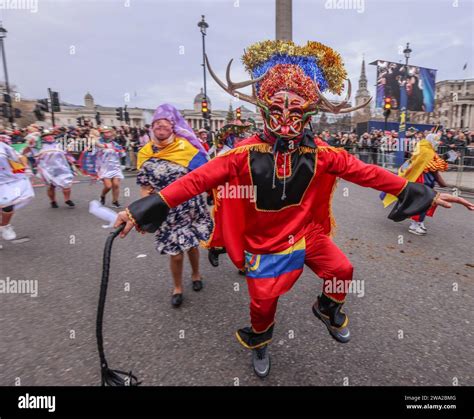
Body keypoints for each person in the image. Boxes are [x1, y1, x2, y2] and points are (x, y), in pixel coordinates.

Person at [114, 39, 473, 378]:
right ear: (265, 110)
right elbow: (193, 182)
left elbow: (368, 173)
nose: (286, 120)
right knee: (263, 306)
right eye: (277, 110)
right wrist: (138, 210)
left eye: (296, 111)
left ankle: (327, 308)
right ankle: (260, 343)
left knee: (342, 270)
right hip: (264, 243)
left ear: (309, 114)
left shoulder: (321, 152)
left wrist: (424, 195)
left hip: (306, 233)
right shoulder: (242, 154)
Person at [136, 104, 211, 307]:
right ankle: (177, 286)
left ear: (173, 127)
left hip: (189, 207)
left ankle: (196, 274)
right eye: (156, 124)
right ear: (152, 128)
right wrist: (144, 211)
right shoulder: (144, 153)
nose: (160, 127)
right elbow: (145, 185)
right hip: (165, 210)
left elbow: (204, 174)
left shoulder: (186, 148)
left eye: (165, 123)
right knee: (175, 254)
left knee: (192, 246)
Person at [382, 132, 449, 235]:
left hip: (428, 179)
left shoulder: (428, 150)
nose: (438, 143)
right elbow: (432, 166)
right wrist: (442, 163)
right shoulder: (425, 150)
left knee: (427, 201)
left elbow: (436, 165)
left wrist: (443, 160)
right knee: (422, 201)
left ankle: (419, 222)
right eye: (436, 140)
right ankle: (414, 225)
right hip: (421, 179)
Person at [0, 134, 35, 241]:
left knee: (7, 205)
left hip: (6, 180)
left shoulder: (3, 146)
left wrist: (24, 166)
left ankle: (4, 226)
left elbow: (18, 156)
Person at [36, 130, 76, 208]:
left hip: (61, 167)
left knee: (67, 184)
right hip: (48, 169)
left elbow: (66, 153)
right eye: (46, 136)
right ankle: (53, 201)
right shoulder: (40, 146)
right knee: (51, 186)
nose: (49, 137)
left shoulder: (59, 145)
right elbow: (35, 156)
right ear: (43, 138)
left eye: (51, 135)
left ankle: (67, 199)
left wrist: (71, 160)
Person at [94, 127, 125, 208]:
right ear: (102, 134)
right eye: (105, 132)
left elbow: (122, 154)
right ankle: (102, 196)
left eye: (109, 132)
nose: (107, 134)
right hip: (104, 167)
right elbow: (93, 153)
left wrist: (120, 152)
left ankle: (115, 201)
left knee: (116, 184)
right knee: (108, 186)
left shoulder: (116, 144)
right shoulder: (98, 143)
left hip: (115, 167)